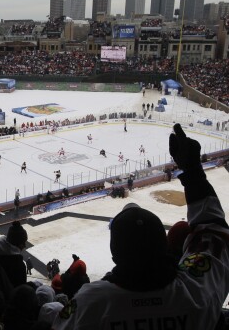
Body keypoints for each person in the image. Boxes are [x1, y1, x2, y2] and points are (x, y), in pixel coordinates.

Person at [53, 123, 229, 329]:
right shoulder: (197, 292)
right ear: (164, 246)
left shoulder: (90, 303)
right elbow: (214, 232)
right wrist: (193, 171)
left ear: (114, 256)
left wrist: (192, 172)